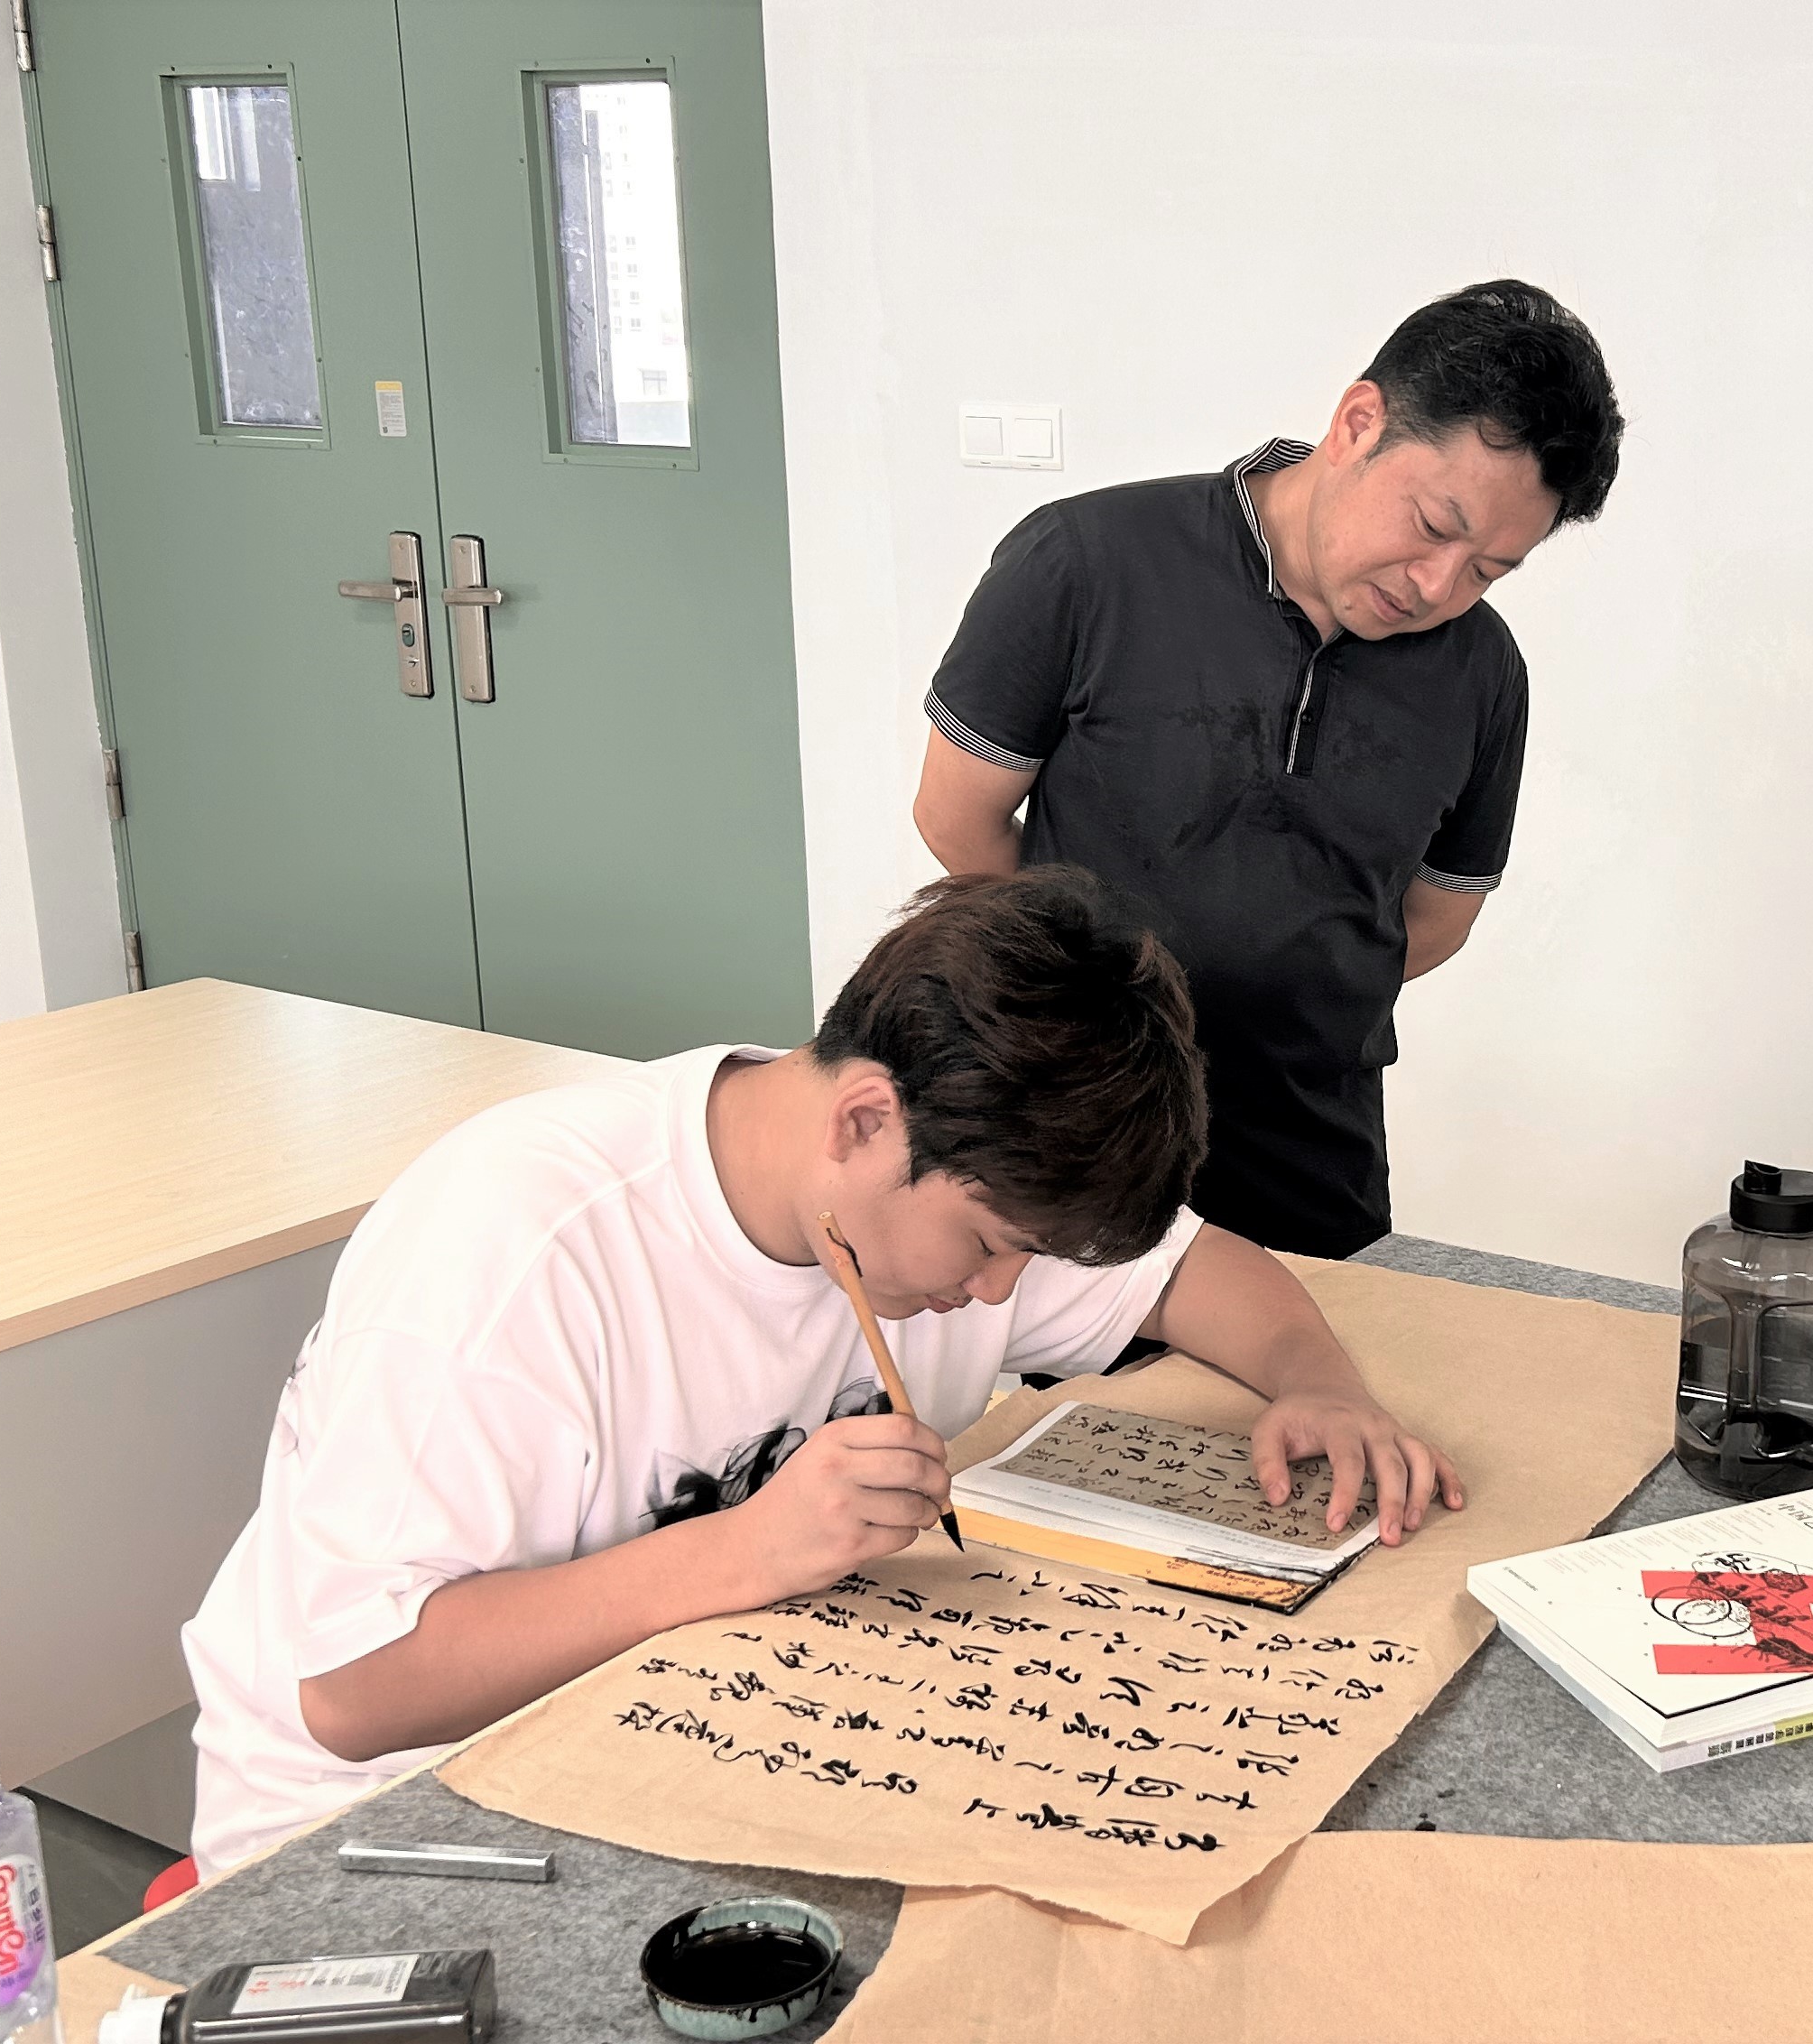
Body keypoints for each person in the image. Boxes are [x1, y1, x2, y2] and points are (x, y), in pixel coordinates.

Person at [178, 868, 1464, 1873]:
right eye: (989, 1246)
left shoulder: (939, 1171)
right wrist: (752, 1548)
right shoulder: (517, 1247)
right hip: (395, 1822)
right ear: (863, 1119)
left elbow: (1194, 1271)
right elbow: (353, 1691)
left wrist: (1317, 1379)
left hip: (708, 1728)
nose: (1001, 1295)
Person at [910, 279, 1624, 1257]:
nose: (1436, 586)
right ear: (1357, 423)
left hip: (1311, 1150)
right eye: (1433, 525)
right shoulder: (1085, 561)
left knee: (1315, 1357)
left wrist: (1290, 1000)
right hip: (1071, 1125)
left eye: (1488, 571)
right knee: (1062, 1358)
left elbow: (1436, 917)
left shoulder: (1483, 672)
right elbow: (957, 816)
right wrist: (1090, 1009)